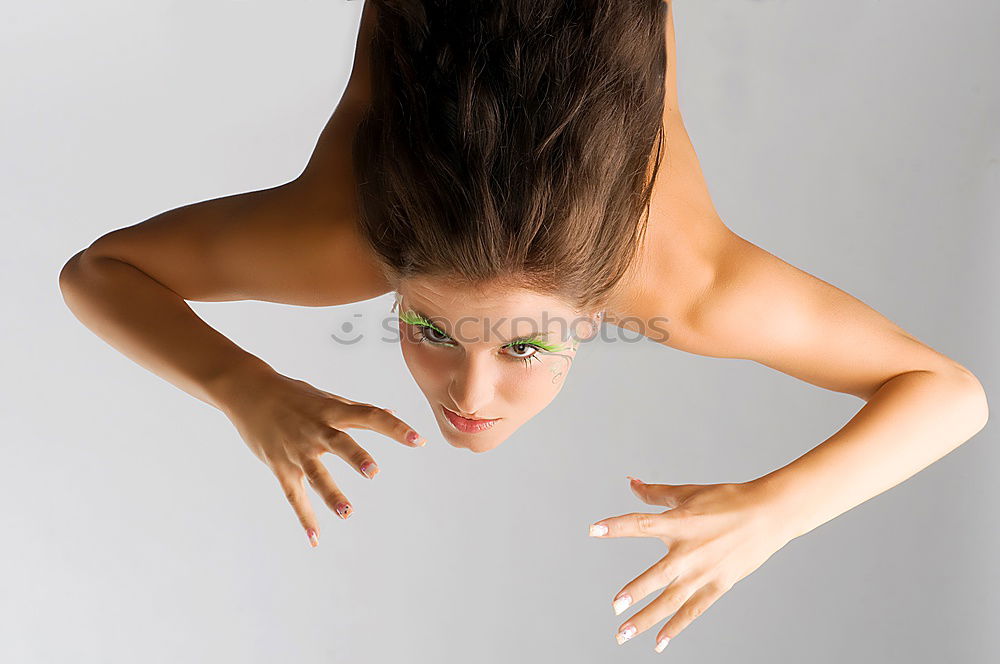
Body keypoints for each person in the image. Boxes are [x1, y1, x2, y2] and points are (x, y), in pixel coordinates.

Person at [59, 1, 988, 649]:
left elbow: (954, 399)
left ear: (597, 309)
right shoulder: (343, 236)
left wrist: (778, 513)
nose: (471, 394)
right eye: (429, 330)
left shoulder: (681, 275)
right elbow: (98, 273)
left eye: (525, 346)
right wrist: (242, 388)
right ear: (392, 279)